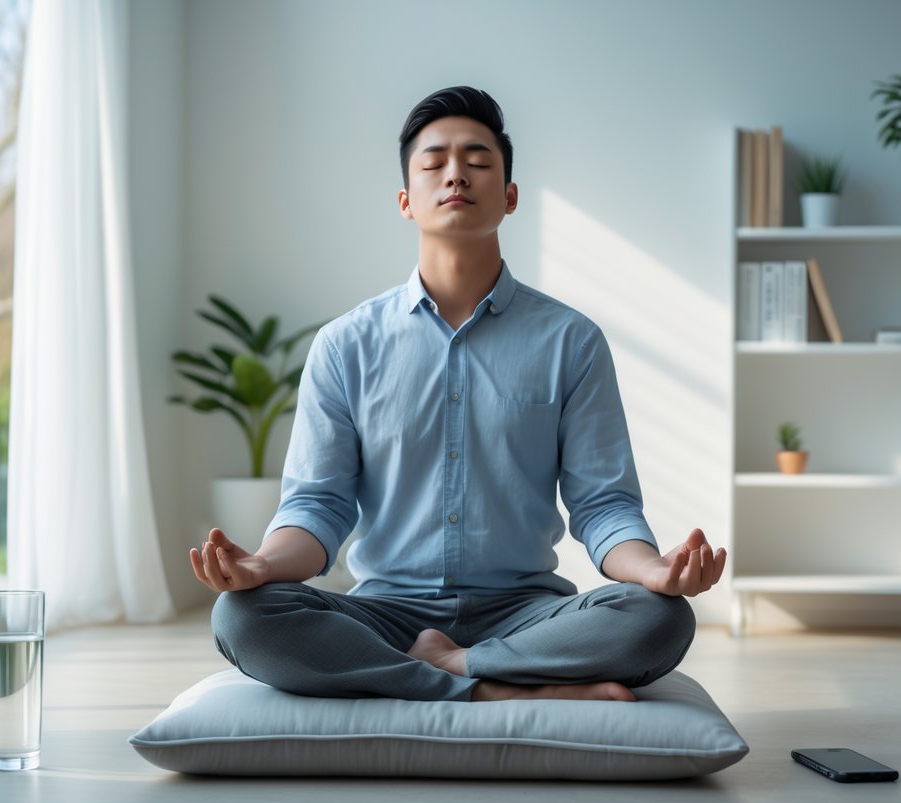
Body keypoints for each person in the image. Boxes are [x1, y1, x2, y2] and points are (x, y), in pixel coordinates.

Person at [189, 86, 726, 703]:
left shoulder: (571, 341)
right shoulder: (345, 344)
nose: (455, 176)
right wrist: (259, 566)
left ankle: (457, 663)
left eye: (477, 162)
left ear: (510, 195)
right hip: (385, 616)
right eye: (433, 163)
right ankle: (496, 688)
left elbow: (603, 505)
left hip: (527, 614)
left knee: (659, 618)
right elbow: (318, 506)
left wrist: (655, 571)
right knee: (241, 617)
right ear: (405, 201)